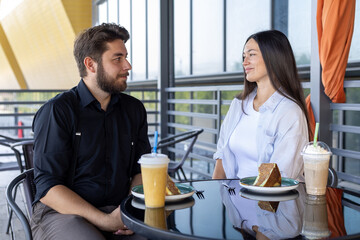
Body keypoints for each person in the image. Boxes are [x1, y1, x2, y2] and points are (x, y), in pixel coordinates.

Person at [30, 23, 151, 240]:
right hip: (62, 214)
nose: (128, 65)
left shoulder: (134, 110)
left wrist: (132, 211)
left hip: (117, 209)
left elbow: (139, 170)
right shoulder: (57, 111)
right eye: (118, 58)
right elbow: (48, 187)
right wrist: (104, 221)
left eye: (126, 57)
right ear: (91, 64)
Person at [212, 30, 309, 181]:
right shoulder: (238, 105)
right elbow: (221, 161)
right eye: (244, 56)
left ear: (273, 57)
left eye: (251, 54)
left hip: (273, 202)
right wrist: (219, 200)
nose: (244, 62)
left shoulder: (290, 112)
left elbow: (280, 179)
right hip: (234, 202)